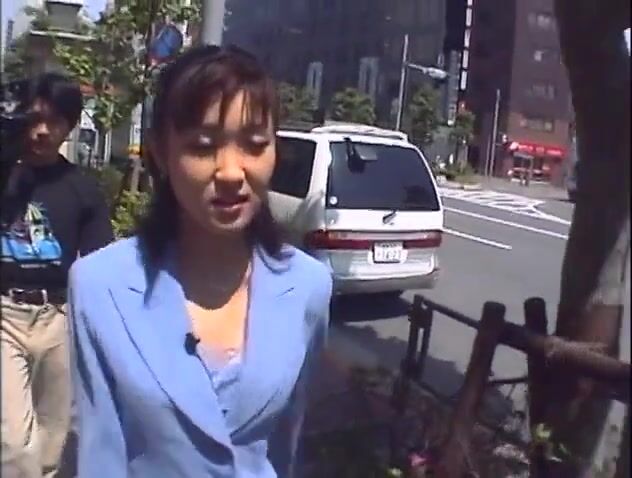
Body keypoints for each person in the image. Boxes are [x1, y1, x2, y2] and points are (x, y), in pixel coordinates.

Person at [68, 45, 332, 477]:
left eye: (254, 145)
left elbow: (287, 443)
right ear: (160, 153)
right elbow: (101, 455)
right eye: (203, 146)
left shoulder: (309, 286)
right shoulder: (99, 286)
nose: (230, 172)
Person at [1, 73, 114, 478]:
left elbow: (100, 261)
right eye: (34, 119)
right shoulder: (5, 174)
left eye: (54, 121)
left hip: (59, 318)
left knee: (53, 438)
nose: (42, 132)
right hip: (5, 314)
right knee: (13, 441)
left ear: (70, 125)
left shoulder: (81, 189)